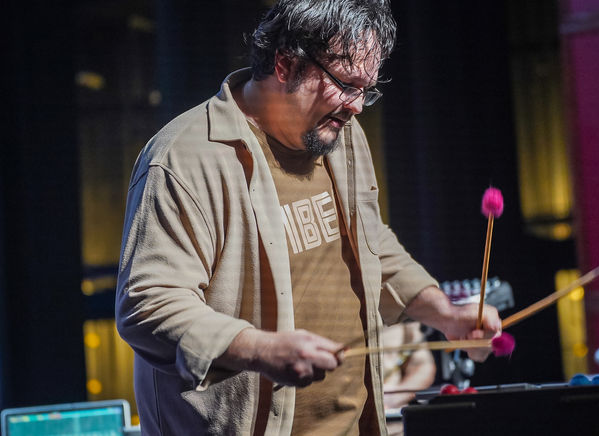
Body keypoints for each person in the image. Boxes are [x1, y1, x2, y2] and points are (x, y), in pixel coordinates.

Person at [115, 1, 501, 435]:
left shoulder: (341, 135)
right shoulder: (184, 159)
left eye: (368, 90)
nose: (358, 106)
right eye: (347, 84)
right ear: (285, 64)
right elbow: (148, 305)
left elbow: (370, 243)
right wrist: (260, 349)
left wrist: (445, 314)